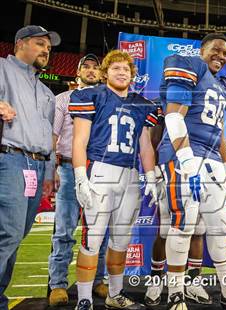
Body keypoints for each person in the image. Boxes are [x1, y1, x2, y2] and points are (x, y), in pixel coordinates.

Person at [158, 33, 226, 310]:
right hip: (185, 155)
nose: (221, 56)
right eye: (216, 50)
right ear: (202, 50)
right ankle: (175, 294)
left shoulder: (222, 84)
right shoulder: (189, 65)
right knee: (183, 226)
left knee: (221, 227)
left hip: (212, 162)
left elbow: (218, 130)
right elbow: (173, 115)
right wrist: (185, 158)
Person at [70, 50, 159, 309]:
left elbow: (145, 146)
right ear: (105, 72)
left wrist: (151, 177)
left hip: (130, 176)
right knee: (93, 239)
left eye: (126, 69)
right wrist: (79, 176)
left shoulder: (142, 104)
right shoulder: (91, 96)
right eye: (116, 68)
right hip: (101, 170)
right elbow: (79, 140)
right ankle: (85, 299)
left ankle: (115, 294)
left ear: (133, 75)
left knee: (121, 240)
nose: (121, 72)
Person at [0, 25, 60, 309]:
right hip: (10, 157)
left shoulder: (47, 91)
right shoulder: (2, 68)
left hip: (36, 168)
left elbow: (48, 135)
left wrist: (48, 173)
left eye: (48, 47)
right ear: (20, 44)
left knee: (17, 234)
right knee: (8, 232)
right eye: (39, 43)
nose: (45, 50)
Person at [48, 54, 109, 306]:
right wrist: (51, 167)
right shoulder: (63, 99)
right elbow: (53, 135)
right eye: (87, 66)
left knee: (100, 231)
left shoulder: (108, 99)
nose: (92, 70)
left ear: (102, 73)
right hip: (69, 168)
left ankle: (98, 280)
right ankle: (58, 285)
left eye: (96, 67)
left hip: (100, 170)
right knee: (63, 230)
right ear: (78, 70)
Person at [144, 124, 211, 307]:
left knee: (197, 228)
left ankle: (192, 281)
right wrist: (156, 172)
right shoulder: (174, 99)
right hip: (172, 165)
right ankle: (157, 280)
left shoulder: (203, 100)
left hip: (201, 166)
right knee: (166, 229)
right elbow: (155, 137)